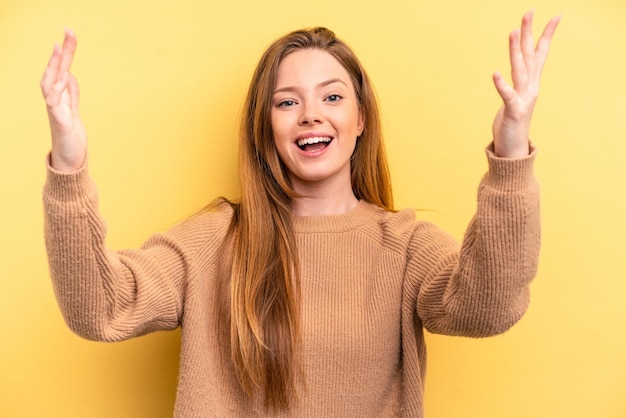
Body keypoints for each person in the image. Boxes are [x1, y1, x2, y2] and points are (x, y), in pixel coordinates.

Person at [41, 11, 560, 417]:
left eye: (332, 97)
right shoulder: (214, 240)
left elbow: (487, 308)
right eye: (286, 102)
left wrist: (510, 154)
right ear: (264, 126)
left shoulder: (404, 245)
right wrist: (68, 164)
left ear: (360, 120)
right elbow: (99, 308)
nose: (311, 113)